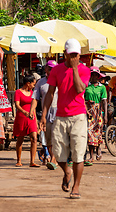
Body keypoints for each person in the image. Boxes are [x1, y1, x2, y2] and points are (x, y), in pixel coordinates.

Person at [40, 38, 91, 199]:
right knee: (57, 151)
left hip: (78, 116)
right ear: (65, 55)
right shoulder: (56, 71)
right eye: (71, 55)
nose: (74, 57)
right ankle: (67, 171)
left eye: (76, 54)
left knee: (78, 153)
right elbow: (50, 93)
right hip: (60, 116)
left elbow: (79, 89)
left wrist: (75, 69)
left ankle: (76, 187)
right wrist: (43, 114)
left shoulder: (84, 70)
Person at [30, 60, 58, 170]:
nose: (52, 71)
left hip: (59, 112)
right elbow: (35, 98)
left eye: (54, 69)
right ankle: (53, 159)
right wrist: (32, 111)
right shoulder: (40, 82)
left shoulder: (60, 81)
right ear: (46, 69)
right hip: (46, 113)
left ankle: (53, 160)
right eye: (50, 69)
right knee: (48, 139)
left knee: (57, 137)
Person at [13, 74, 39, 167]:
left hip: (31, 117)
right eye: (33, 83)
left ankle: (32, 161)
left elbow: (34, 106)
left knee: (34, 138)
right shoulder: (18, 92)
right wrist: (24, 112)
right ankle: (19, 160)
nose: (34, 85)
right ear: (28, 83)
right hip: (21, 117)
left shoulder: (33, 93)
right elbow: (17, 105)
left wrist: (35, 120)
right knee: (20, 139)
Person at [85, 66, 107, 163]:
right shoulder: (86, 87)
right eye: (92, 75)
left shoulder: (102, 88)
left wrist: (105, 114)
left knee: (97, 132)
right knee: (89, 132)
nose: (93, 77)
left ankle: (98, 148)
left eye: (95, 75)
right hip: (88, 111)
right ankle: (91, 156)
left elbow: (104, 101)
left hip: (98, 112)